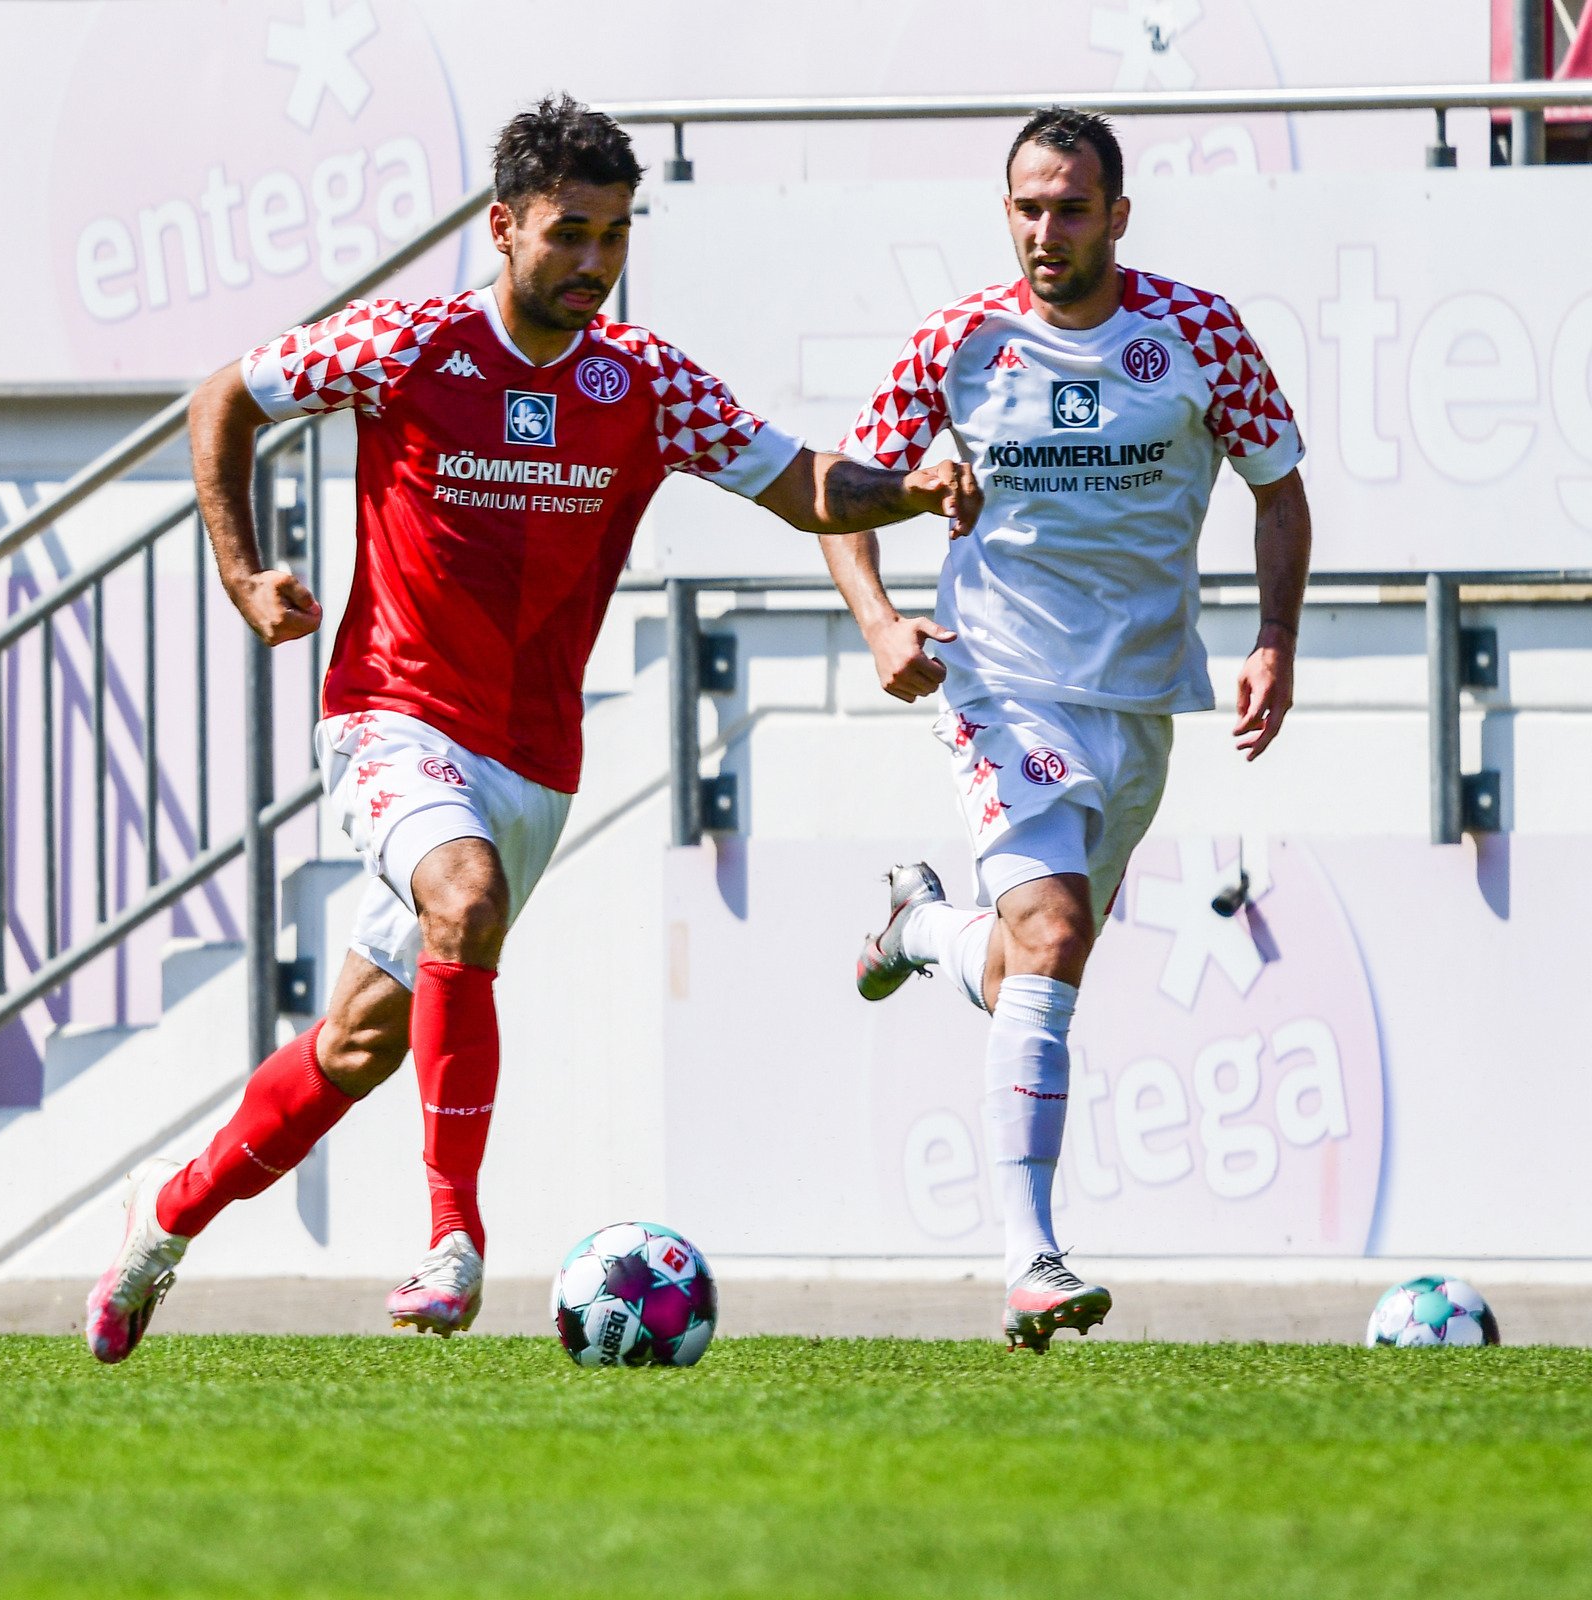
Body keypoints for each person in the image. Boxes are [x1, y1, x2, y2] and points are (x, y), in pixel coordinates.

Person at [84, 94, 980, 1364]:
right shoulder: (409, 344)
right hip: (388, 716)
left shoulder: (647, 382)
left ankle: (161, 1218)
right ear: (502, 229)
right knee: (464, 893)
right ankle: (453, 1236)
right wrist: (243, 571)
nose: (595, 265)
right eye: (569, 234)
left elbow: (805, 489)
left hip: (529, 762)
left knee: (355, 1043)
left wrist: (912, 483)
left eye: (615, 236)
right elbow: (223, 395)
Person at [824, 107, 1310, 1352]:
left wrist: (1272, 640)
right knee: (1050, 930)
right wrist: (881, 620)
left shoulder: (1195, 332)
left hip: (1140, 697)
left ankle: (920, 926)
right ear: (1007, 215)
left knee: (1028, 959)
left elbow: (1277, 491)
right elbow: (840, 489)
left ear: (1118, 215)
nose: (1048, 231)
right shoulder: (960, 341)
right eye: (1028, 208)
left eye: (1072, 207)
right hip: (997, 680)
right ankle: (1026, 1258)